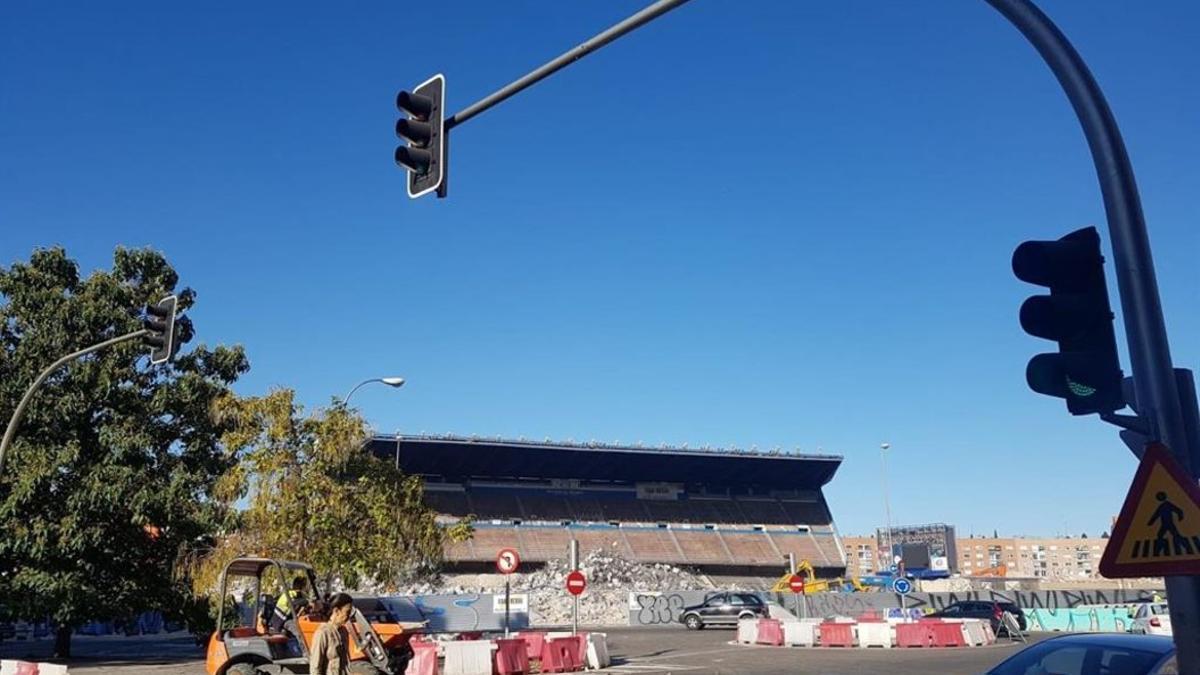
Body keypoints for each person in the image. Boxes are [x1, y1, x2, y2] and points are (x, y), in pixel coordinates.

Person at [311, 592, 354, 675]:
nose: (349, 616)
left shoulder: (343, 631)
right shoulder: (323, 633)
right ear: (336, 611)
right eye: (347, 612)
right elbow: (315, 666)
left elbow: (345, 662)